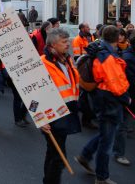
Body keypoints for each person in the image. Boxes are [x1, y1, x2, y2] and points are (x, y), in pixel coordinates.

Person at [75, 26, 131, 184]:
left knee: (106, 133)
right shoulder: (107, 56)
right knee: (107, 141)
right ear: (117, 37)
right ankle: (101, 177)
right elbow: (115, 81)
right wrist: (126, 98)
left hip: (103, 97)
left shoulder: (100, 50)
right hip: (110, 100)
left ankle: (85, 155)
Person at [40, 28, 81, 184]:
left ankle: (47, 180)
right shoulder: (43, 63)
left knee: (53, 152)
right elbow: (33, 94)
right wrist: (41, 118)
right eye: (64, 42)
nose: (68, 44)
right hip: (52, 115)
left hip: (67, 111)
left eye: (68, 40)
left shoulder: (67, 60)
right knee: (58, 156)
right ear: (52, 45)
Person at [116, 31, 135, 166]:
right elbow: (129, 80)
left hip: (127, 95)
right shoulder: (128, 58)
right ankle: (119, 153)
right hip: (125, 96)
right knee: (119, 126)